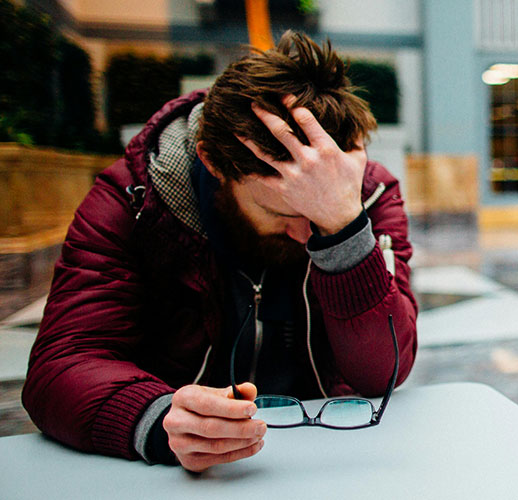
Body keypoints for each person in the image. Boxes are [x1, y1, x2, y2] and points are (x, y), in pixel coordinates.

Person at [22, 31, 418, 472]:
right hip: (182, 480)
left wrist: (344, 228)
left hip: (329, 457)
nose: (306, 234)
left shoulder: (367, 196)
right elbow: (62, 365)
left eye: (320, 211)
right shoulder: (133, 199)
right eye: (282, 211)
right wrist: (157, 418)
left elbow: (382, 372)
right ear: (212, 162)